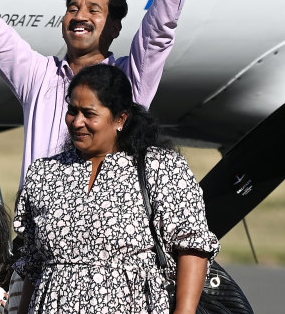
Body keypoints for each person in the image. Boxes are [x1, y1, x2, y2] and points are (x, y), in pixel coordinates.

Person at [0, 0, 196, 183]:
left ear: (114, 28)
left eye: (93, 10)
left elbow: (157, 33)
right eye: (73, 9)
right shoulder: (38, 75)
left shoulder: (128, 81)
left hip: (104, 234)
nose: (79, 16)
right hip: (37, 236)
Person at [13, 64, 220, 313]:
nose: (77, 122)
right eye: (72, 111)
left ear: (120, 119)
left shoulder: (161, 167)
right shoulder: (45, 174)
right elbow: (34, 265)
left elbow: (192, 247)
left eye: (89, 114)